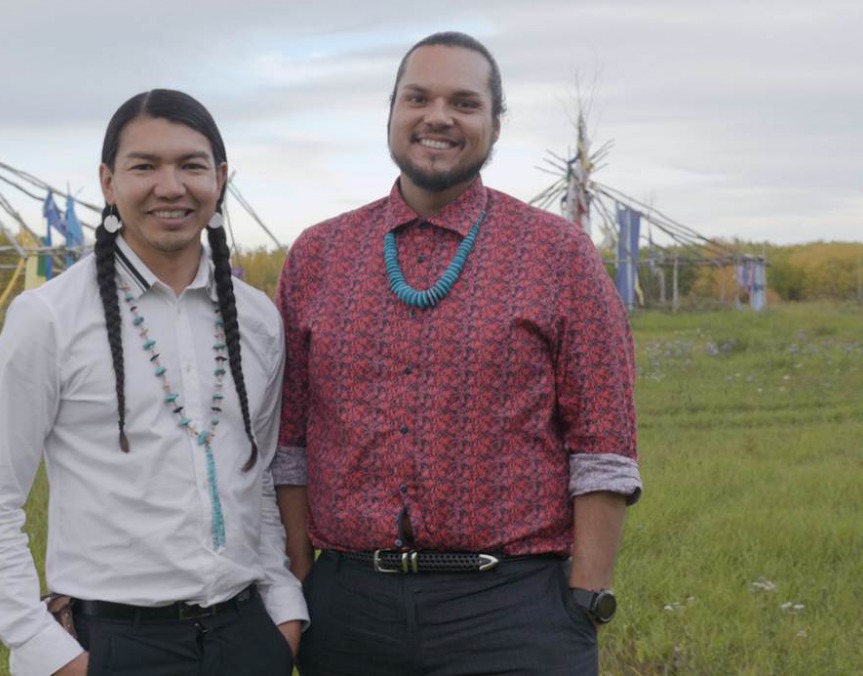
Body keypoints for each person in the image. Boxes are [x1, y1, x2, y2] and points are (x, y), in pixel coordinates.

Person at [272, 32, 642, 675]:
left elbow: (604, 442)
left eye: (464, 103)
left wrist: (584, 597)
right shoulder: (319, 255)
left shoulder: (557, 254)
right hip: (349, 610)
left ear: (495, 125)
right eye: (417, 97)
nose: (437, 116)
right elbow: (290, 437)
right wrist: (304, 577)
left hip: (514, 611)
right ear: (390, 112)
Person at [0, 89, 306, 676]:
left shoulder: (256, 318)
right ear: (107, 181)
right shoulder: (49, 317)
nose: (170, 187)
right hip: (110, 643)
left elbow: (261, 480)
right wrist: (50, 653)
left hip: (246, 635)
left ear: (220, 179)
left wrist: (284, 616)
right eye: (144, 166)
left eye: (191, 165)